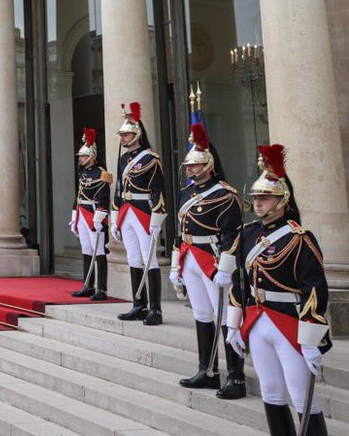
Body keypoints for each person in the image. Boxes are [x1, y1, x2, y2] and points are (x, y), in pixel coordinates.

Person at [227, 144, 332, 436]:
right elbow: (239, 282)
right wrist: (233, 325)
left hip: (289, 321)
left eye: (265, 198)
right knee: (271, 392)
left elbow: (314, 288)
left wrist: (311, 336)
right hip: (257, 320)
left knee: (301, 396)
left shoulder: (299, 238)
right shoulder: (247, 234)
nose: (258, 203)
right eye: (257, 198)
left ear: (283, 200)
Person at [170, 123, 245, 398]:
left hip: (213, 261)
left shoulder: (226, 194)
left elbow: (232, 233)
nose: (189, 170)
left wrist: (226, 266)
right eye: (188, 166)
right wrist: (176, 264)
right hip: (190, 257)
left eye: (195, 165)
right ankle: (208, 370)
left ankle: (236, 377)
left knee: (225, 317)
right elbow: (180, 231)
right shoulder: (184, 193)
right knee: (201, 314)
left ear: (209, 165)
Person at [112, 102, 166, 325]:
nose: (123, 138)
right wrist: (114, 219)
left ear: (137, 134)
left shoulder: (150, 158)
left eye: (127, 134)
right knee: (133, 258)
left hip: (144, 211)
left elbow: (158, 190)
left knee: (149, 258)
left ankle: (155, 309)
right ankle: (138, 304)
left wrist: (156, 218)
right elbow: (117, 187)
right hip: (126, 211)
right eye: (122, 134)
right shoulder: (123, 159)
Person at [71, 127, 111, 300]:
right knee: (87, 250)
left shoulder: (102, 173)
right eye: (80, 156)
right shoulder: (83, 173)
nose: (80, 159)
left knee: (99, 251)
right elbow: (78, 194)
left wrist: (100, 216)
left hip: (95, 214)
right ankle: (87, 284)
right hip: (82, 212)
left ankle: (101, 288)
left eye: (84, 156)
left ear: (92, 156)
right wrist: (74, 216)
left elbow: (104, 197)